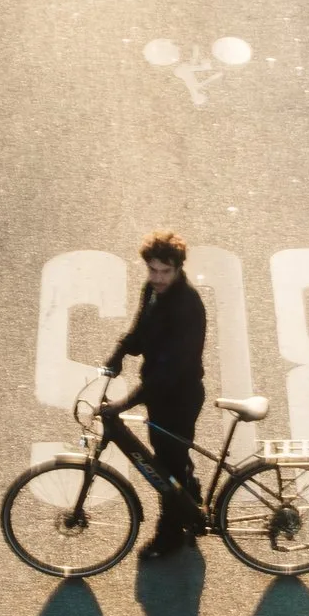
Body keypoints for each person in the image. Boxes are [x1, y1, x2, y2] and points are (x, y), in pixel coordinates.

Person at [101, 231, 207, 559]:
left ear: (178, 269)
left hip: (179, 398)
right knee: (171, 459)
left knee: (165, 469)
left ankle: (170, 534)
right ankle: (189, 496)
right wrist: (119, 352)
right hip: (160, 395)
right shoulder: (152, 291)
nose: (157, 278)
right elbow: (140, 332)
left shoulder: (187, 306)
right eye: (152, 270)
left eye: (165, 271)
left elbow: (170, 370)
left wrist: (126, 402)